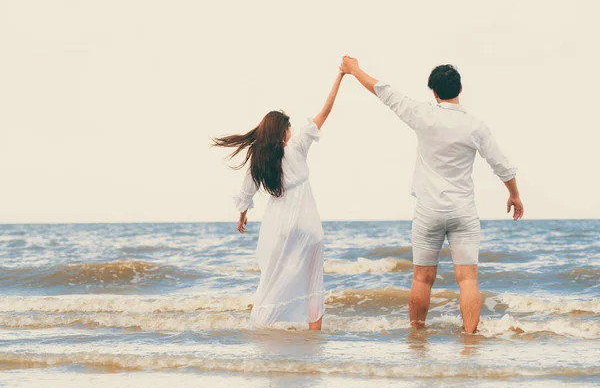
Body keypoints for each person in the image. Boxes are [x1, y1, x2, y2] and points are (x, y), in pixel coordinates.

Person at [339, 57, 523, 333]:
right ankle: (470, 340)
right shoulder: (475, 126)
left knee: (422, 279)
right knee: (468, 280)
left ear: (434, 92)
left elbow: (384, 91)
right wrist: (514, 195)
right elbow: (501, 165)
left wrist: (353, 70)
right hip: (463, 210)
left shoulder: (422, 114)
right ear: (460, 89)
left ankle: (418, 336)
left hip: (429, 211)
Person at [212, 71, 345, 330]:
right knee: (313, 282)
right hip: (309, 227)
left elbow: (246, 191)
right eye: (289, 126)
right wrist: (340, 76)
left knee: (275, 279)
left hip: (281, 227)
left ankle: (263, 326)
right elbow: (325, 111)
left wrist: (242, 215)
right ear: (284, 131)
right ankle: (313, 335)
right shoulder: (297, 147)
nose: (292, 130)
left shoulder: (259, 160)